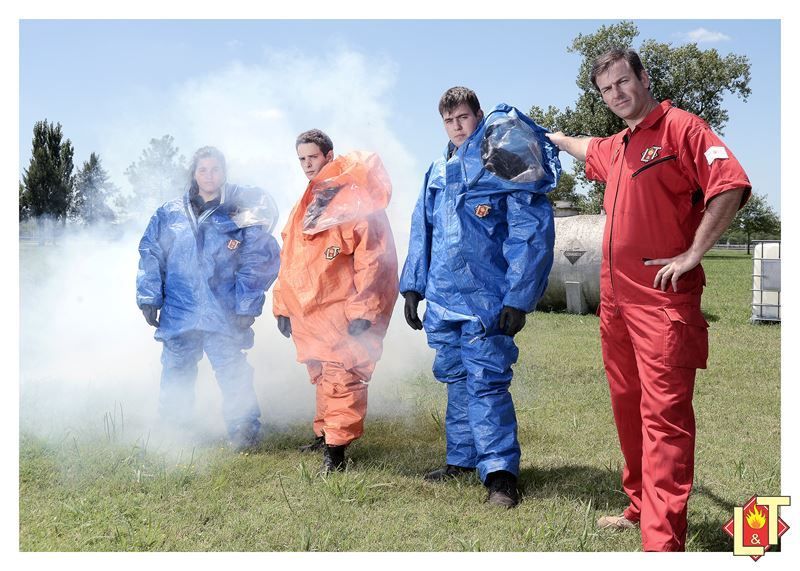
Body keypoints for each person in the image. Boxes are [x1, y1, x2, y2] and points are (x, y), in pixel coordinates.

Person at [547, 48, 751, 551]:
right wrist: (552, 137)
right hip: (614, 305)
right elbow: (583, 146)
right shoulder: (618, 146)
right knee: (628, 409)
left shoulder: (683, 129)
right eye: (606, 89)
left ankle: (661, 543)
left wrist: (693, 252)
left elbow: (730, 185)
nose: (616, 94)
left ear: (643, 77)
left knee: (664, 420)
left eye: (623, 82)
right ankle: (639, 505)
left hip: (662, 304)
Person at [400, 87, 558, 508]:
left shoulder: (502, 163)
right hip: (442, 297)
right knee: (455, 380)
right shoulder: (437, 170)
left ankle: (501, 476)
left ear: (479, 115)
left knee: (486, 384)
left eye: (463, 117)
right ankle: (462, 458)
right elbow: (422, 229)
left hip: (486, 299)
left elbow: (529, 231)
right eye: (448, 120)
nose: (456, 126)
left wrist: (518, 297)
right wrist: (413, 287)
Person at [137, 146, 280, 450]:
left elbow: (257, 258)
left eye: (215, 169)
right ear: (194, 174)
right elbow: (151, 251)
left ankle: (244, 431)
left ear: (224, 173)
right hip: (179, 308)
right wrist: (149, 295)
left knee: (232, 370)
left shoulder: (240, 212)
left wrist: (246, 305)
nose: (209, 175)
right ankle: (175, 430)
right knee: (176, 371)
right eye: (203, 170)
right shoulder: (169, 213)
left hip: (223, 309)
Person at [273, 129, 398, 474]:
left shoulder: (355, 201)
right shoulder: (308, 202)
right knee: (321, 374)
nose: (306, 164)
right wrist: (282, 304)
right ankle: (325, 433)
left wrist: (364, 310)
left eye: (312, 157)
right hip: (311, 309)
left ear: (329, 155)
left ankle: (336, 450)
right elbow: (289, 256)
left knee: (342, 375)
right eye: (301, 159)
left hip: (342, 308)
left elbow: (373, 259)